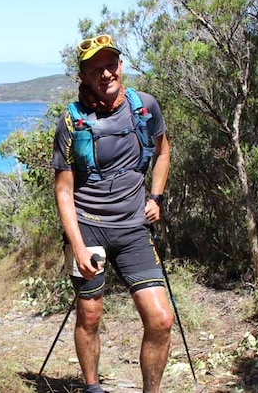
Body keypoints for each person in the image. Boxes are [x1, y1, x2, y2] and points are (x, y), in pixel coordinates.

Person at [51, 34, 173, 393]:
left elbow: (163, 152)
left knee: (161, 319)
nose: (105, 74)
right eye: (95, 69)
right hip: (88, 229)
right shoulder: (72, 122)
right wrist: (77, 245)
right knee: (90, 315)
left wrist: (157, 197)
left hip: (134, 228)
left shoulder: (145, 106)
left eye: (110, 65)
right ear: (84, 77)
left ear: (120, 66)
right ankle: (93, 387)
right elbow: (63, 190)